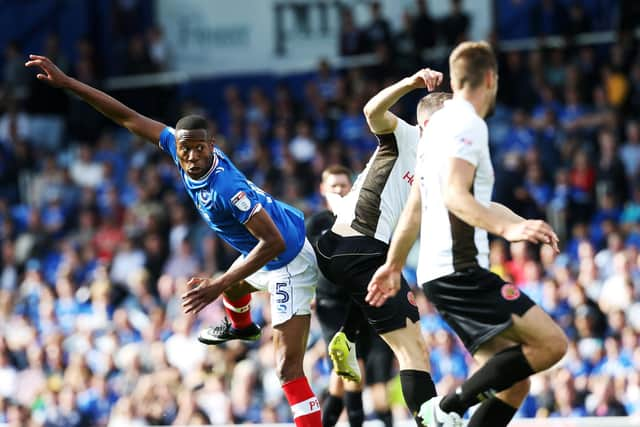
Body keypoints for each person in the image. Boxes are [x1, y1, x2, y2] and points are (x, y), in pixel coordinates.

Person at [25, 55, 322, 427]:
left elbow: (273, 243)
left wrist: (218, 284)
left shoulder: (227, 188)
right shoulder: (177, 148)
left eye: (201, 149)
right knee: (233, 290)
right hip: (269, 243)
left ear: (212, 145)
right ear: (175, 147)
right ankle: (242, 326)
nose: (193, 156)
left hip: (288, 259)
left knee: (286, 368)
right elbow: (126, 117)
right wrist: (70, 84)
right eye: (186, 150)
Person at [367, 41, 569, 427]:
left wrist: (394, 264)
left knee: (513, 385)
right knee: (552, 344)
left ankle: (449, 411)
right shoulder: (467, 123)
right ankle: (444, 410)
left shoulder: (435, 129)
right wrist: (511, 228)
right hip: (459, 270)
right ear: (490, 79)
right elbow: (456, 196)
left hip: (438, 273)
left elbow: (417, 206)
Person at [314, 67, 450, 424]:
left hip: (354, 253)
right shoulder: (405, 136)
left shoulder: (436, 167)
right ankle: (430, 422)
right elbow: (371, 111)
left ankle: (349, 333)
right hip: (357, 247)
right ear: (428, 125)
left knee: (368, 355)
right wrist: (409, 83)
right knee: (413, 349)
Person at [307, 166, 395, 427]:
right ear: (323, 190)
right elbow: (313, 262)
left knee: (340, 378)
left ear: (352, 188)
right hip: (330, 305)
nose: (338, 190)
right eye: (333, 186)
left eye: (343, 186)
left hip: (360, 303)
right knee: (352, 369)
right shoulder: (318, 224)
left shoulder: (366, 220)